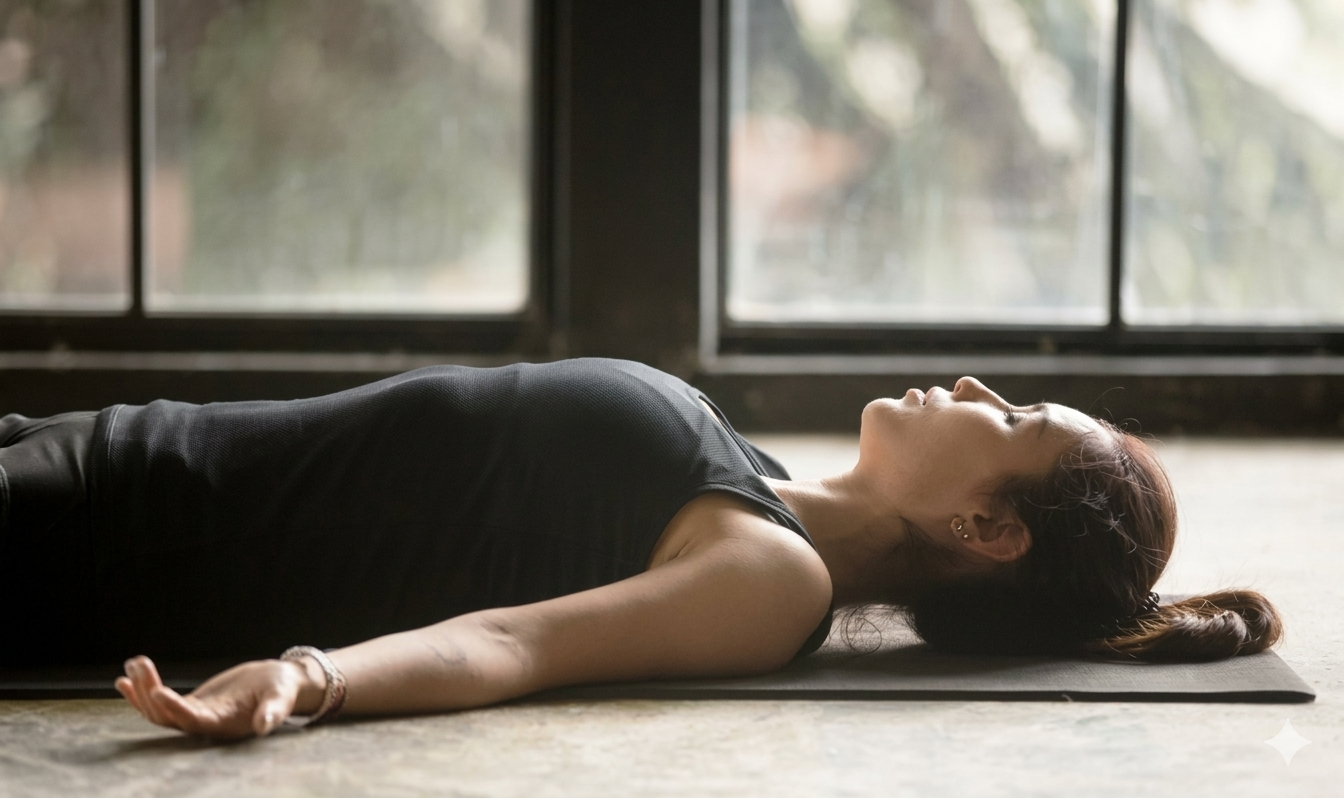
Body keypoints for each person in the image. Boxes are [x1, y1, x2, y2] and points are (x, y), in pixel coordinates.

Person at [0, 359, 1280, 738]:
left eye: (1010, 417)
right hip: (118, 449)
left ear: (989, 529)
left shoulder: (773, 577)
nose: (970, 385)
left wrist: (306, 678)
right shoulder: (757, 477)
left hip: (112, 536)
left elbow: (511, 647)